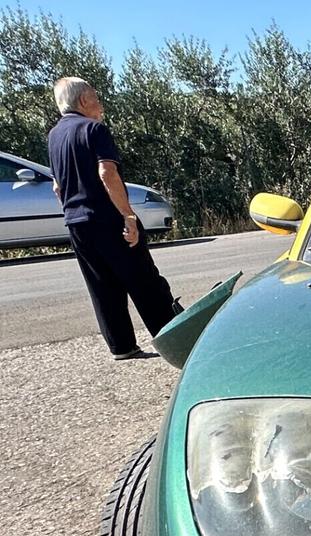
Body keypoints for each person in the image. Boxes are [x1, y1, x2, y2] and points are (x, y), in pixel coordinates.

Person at [47, 77, 180, 360]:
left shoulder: (54, 136)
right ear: (84, 100)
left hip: (76, 222)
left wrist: (73, 211)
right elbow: (107, 172)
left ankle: (122, 346)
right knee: (144, 279)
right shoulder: (93, 129)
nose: (101, 106)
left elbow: (57, 187)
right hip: (107, 218)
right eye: (96, 99)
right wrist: (128, 215)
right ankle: (175, 338)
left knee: (102, 285)